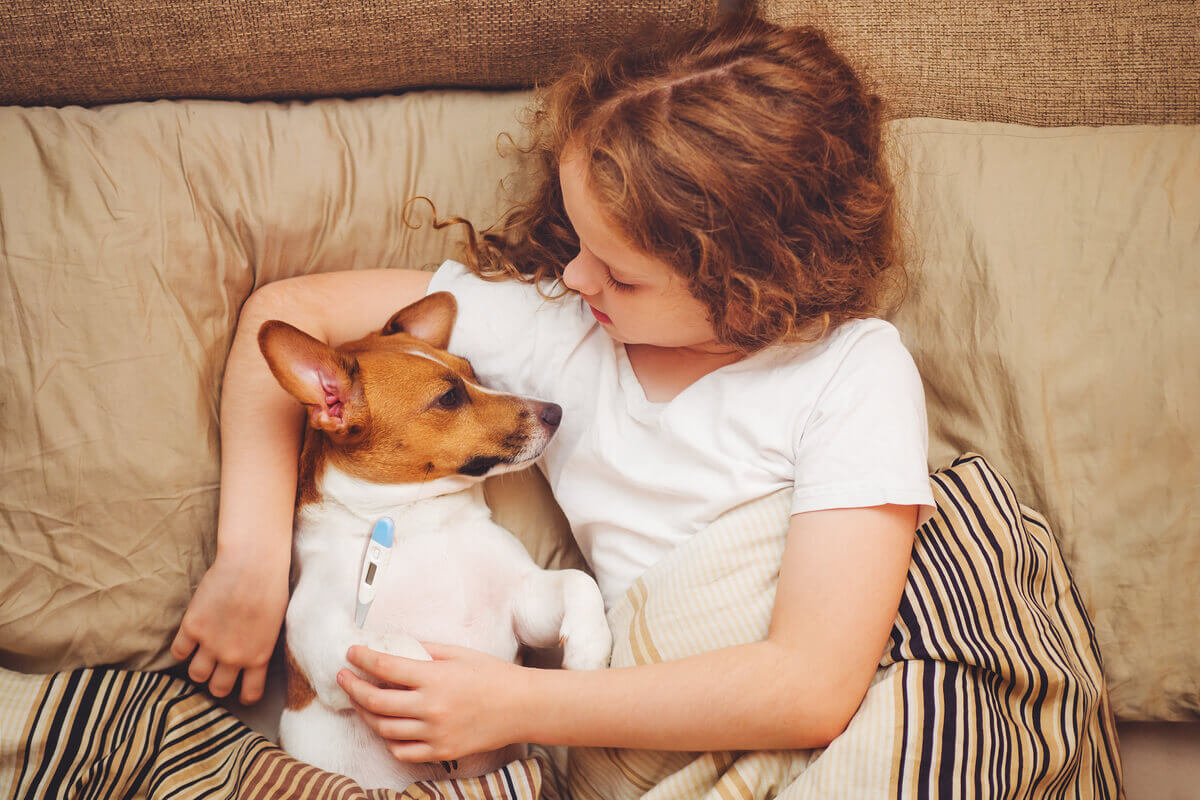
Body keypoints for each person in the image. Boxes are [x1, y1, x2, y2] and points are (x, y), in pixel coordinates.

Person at [171, 10, 935, 761]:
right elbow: (290, 311)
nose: (572, 275)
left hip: (778, 717)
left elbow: (810, 688)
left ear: (747, 282)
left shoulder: (853, 370)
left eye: (621, 273)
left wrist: (513, 706)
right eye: (577, 239)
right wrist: (253, 560)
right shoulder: (559, 326)